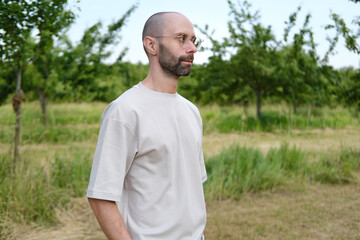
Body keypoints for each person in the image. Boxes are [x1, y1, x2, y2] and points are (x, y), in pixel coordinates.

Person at [87, 12, 207, 240]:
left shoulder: (191, 111)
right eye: (182, 38)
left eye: (194, 40)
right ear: (151, 45)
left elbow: (192, 189)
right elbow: (101, 196)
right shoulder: (125, 111)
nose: (192, 48)